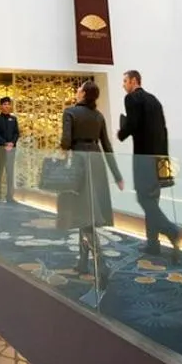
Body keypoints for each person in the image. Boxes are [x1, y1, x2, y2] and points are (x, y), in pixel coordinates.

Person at [61, 81, 124, 276]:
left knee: (82, 214)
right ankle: (83, 262)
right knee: (86, 215)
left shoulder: (70, 112)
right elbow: (107, 145)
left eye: (79, 89)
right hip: (97, 164)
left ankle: (100, 260)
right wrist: (117, 175)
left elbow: (66, 141)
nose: (76, 91)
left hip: (79, 163)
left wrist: (63, 154)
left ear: (84, 94)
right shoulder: (98, 116)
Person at [117, 70, 182, 260]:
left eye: (125, 81)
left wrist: (121, 133)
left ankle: (171, 230)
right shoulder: (154, 100)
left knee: (144, 199)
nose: (123, 85)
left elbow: (133, 124)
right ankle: (153, 243)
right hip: (159, 158)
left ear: (134, 81)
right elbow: (163, 130)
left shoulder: (131, 99)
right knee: (152, 200)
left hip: (143, 158)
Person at [0, 96, 20, 202]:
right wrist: (5, 144)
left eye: (8, 104)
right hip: (0, 149)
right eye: (4, 104)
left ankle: (10, 196)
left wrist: (12, 143)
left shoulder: (14, 119)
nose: (7, 106)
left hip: (12, 149)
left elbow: (17, 133)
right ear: (1, 106)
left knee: (10, 173)